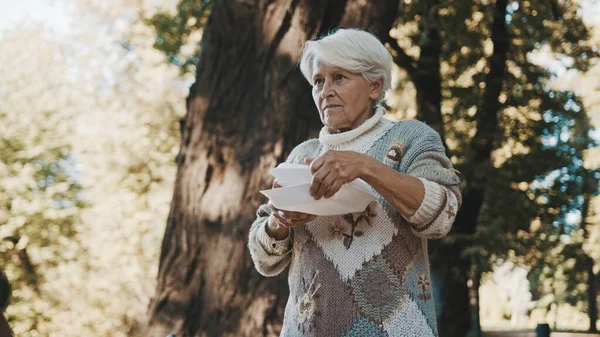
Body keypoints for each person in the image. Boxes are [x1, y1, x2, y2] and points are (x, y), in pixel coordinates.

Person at [248, 28, 461, 337]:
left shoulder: (412, 138)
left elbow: (443, 216)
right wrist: (279, 222)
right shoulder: (303, 155)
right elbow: (263, 261)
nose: (325, 91)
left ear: (375, 85)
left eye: (340, 78)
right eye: (319, 81)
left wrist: (364, 166)